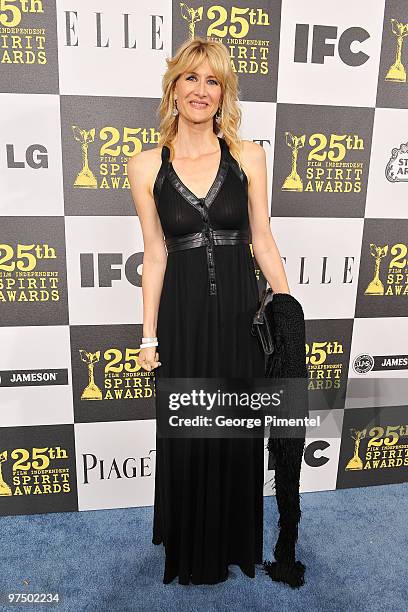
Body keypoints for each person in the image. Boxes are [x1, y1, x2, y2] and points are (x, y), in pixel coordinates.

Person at [128, 36, 290, 585]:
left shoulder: (248, 156)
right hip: (182, 316)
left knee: (233, 430)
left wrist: (285, 309)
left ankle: (229, 542)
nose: (201, 90)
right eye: (190, 78)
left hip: (240, 317)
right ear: (173, 88)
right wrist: (148, 337)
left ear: (224, 94)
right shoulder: (146, 165)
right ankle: (190, 547)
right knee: (189, 430)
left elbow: (262, 238)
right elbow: (154, 254)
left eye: (212, 80)